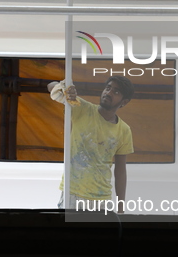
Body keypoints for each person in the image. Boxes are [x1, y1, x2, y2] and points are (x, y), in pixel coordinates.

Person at [47, 76, 134, 212]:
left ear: (124, 102)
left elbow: (120, 171)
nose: (109, 93)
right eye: (108, 88)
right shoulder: (81, 108)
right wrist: (65, 90)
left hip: (102, 199)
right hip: (73, 192)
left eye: (116, 92)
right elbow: (50, 86)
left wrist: (121, 208)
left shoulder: (124, 130)